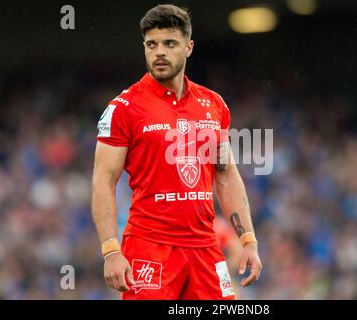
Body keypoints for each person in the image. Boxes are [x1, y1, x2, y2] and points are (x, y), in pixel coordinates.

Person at [91, 4, 262, 300]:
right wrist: (110, 250)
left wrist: (248, 240)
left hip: (206, 249)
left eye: (169, 43)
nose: (159, 52)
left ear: (188, 47)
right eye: (151, 44)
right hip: (149, 248)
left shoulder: (213, 105)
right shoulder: (123, 109)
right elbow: (103, 181)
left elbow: (226, 175)